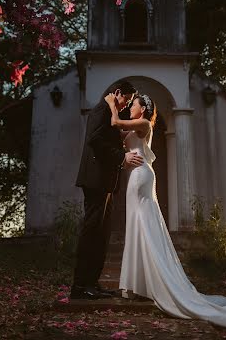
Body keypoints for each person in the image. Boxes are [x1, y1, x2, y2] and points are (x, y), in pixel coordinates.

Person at [104, 92, 226, 332]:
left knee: (144, 227)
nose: (130, 106)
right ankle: (139, 284)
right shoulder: (136, 125)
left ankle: (151, 283)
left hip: (141, 178)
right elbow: (116, 134)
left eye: (134, 104)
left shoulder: (143, 123)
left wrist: (111, 105)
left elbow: (115, 123)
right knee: (137, 226)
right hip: (136, 176)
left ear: (143, 109)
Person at [70, 81, 144, 300]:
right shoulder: (101, 111)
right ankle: (80, 286)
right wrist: (122, 157)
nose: (126, 104)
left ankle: (93, 283)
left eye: (131, 102)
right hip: (95, 182)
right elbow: (95, 140)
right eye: (126, 100)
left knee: (101, 235)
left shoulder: (108, 111)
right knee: (91, 233)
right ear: (118, 93)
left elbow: (109, 136)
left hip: (105, 183)